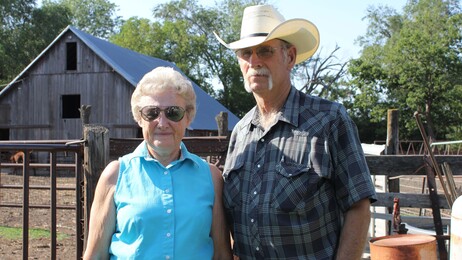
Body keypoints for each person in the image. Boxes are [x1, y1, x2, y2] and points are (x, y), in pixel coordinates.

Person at [214, 5, 377, 259]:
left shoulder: (329, 120)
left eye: (265, 51)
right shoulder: (240, 133)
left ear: (289, 57)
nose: (254, 61)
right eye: (246, 53)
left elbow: (358, 207)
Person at [83, 67, 232, 259]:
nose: (162, 122)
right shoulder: (115, 175)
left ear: (188, 117)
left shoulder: (211, 177)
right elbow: (95, 255)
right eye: (151, 113)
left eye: (173, 112)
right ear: (139, 118)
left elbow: (221, 254)